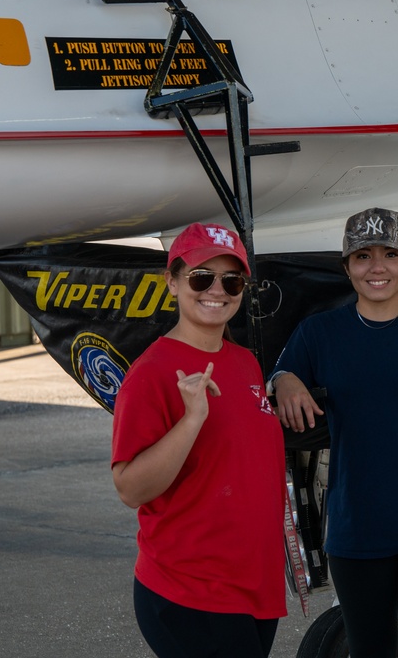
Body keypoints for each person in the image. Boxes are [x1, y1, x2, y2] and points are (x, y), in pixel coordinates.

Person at [269, 207, 398, 657]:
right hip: (357, 528)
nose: (377, 267)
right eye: (363, 256)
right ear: (347, 267)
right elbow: (281, 372)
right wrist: (284, 379)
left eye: (390, 254)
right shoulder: (320, 332)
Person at [111, 223, 287, 658]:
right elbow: (130, 488)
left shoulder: (245, 362)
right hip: (191, 591)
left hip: (252, 588)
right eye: (201, 277)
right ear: (172, 282)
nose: (217, 290)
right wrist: (190, 421)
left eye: (232, 280)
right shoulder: (152, 373)